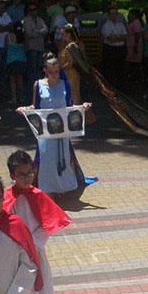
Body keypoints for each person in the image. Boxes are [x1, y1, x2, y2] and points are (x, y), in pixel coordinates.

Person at [4, 149, 71, 294]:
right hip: (15, 254)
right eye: (21, 175)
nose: (27, 178)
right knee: (21, 293)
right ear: (12, 176)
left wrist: (33, 242)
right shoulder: (7, 198)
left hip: (35, 251)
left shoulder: (38, 194)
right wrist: (20, 244)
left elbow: (49, 222)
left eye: (30, 173)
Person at [20, 55, 94, 197]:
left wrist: (82, 107)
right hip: (46, 130)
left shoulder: (64, 84)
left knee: (63, 158)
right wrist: (25, 109)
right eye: (51, 71)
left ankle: (62, 188)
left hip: (62, 129)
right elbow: (34, 105)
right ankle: (48, 188)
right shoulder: (38, 85)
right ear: (45, 71)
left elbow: (70, 105)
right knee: (47, 158)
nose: (54, 75)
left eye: (56, 71)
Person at [22, 4, 48, 103]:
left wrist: (36, 32)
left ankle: (41, 89)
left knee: (39, 69)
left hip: (40, 47)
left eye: (35, 9)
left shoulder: (40, 19)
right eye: (31, 10)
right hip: (32, 48)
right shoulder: (26, 20)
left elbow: (45, 29)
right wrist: (39, 32)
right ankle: (31, 92)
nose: (33, 11)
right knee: (32, 70)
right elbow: (29, 33)